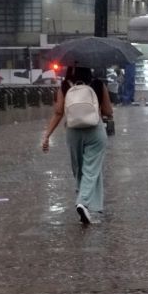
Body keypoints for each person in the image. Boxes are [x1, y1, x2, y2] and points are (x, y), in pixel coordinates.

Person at [41, 65, 113, 225]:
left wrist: (47, 135)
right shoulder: (98, 84)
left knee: (79, 169)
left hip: (73, 131)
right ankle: (83, 202)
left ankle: (83, 201)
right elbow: (108, 111)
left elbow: (58, 112)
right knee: (92, 169)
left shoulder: (65, 86)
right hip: (95, 130)